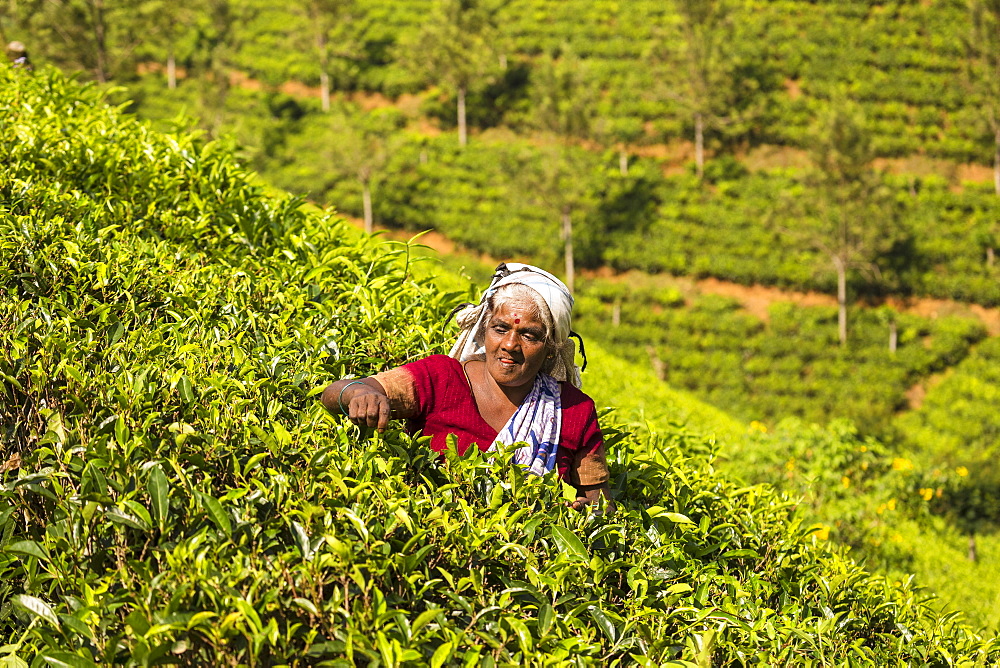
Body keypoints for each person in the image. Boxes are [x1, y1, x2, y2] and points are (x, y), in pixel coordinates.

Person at [321, 262, 612, 510]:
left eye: (529, 335)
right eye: (500, 329)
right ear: (484, 328)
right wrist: (359, 395)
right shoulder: (440, 378)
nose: (510, 345)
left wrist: (586, 512)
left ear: (550, 348)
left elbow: (600, 503)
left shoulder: (573, 410)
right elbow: (335, 393)